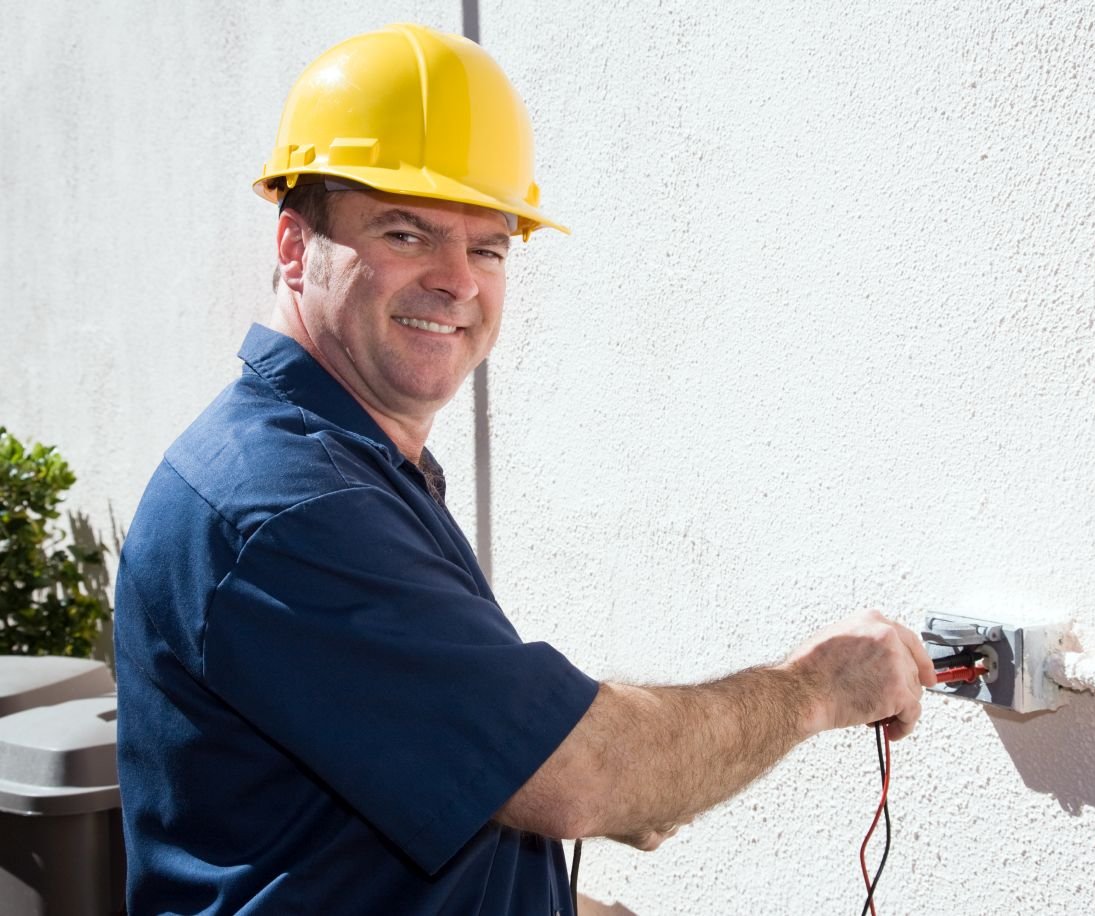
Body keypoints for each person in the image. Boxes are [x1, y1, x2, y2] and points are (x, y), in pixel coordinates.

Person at [114, 23, 935, 915]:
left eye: (490, 246)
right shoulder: (285, 507)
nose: (457, 280)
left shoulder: (346, 461)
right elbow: (584, 777)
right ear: (291, 244)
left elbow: (383, 805)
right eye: (406, 232)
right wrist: (817, 688)